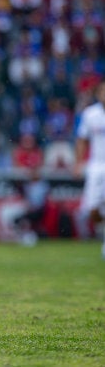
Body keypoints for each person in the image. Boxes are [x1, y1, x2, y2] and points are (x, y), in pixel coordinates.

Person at [74, 80, 105, 258]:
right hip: (96, 166)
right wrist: (78, 163)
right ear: (97, 94)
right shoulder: (90, 114)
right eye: (102, 91)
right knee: (92, 209)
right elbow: (81, 139)